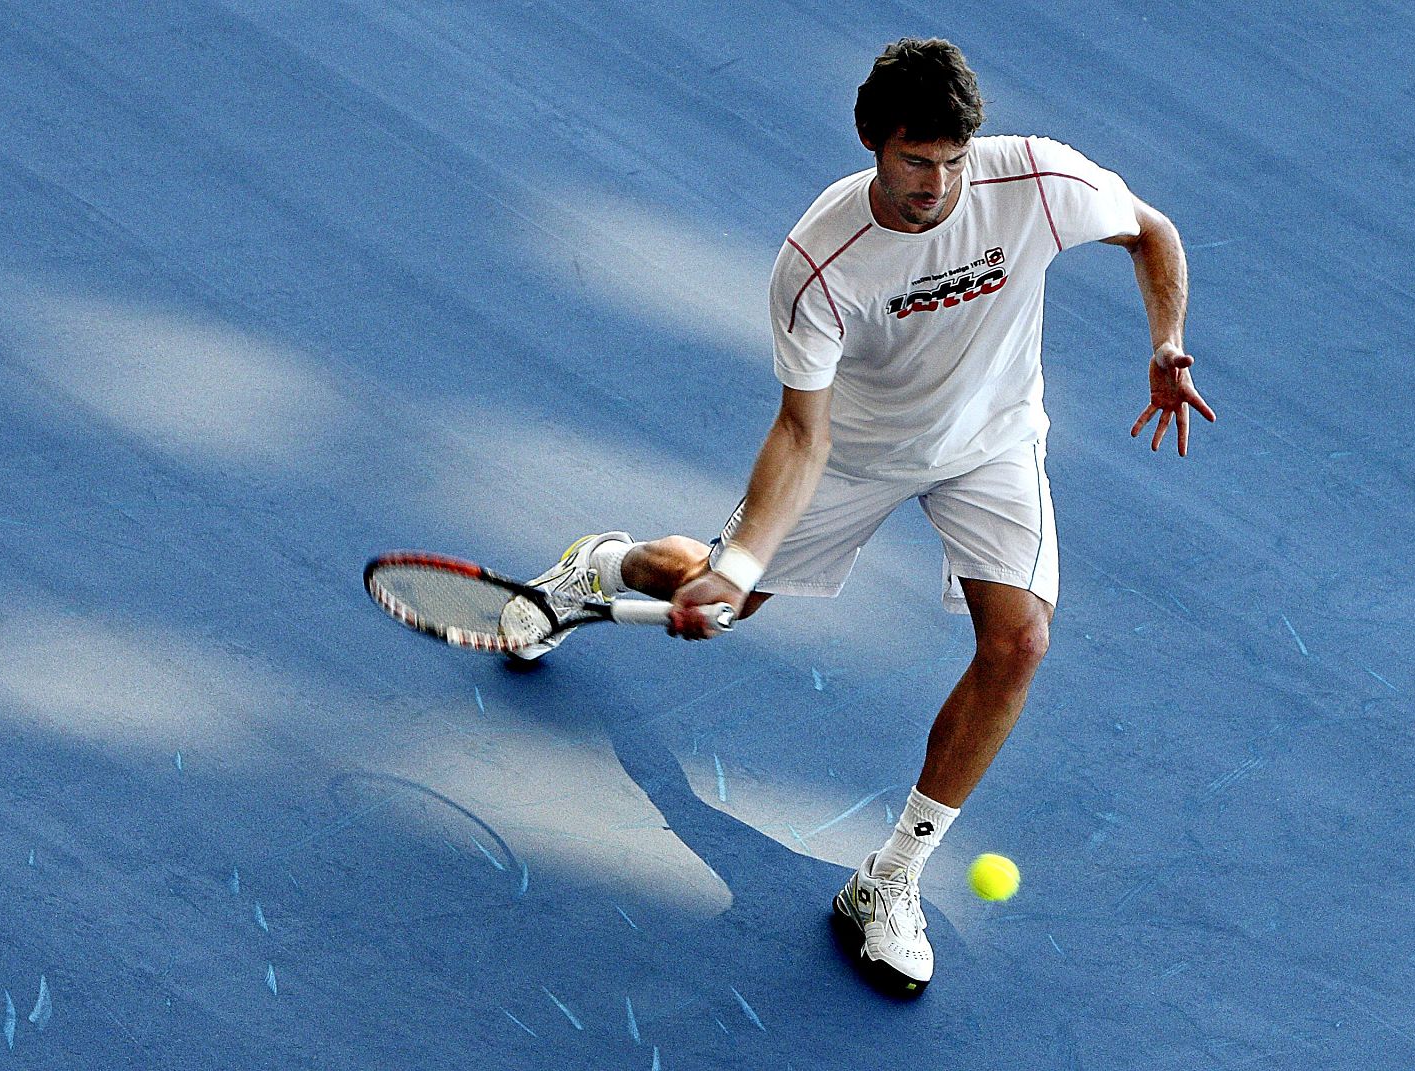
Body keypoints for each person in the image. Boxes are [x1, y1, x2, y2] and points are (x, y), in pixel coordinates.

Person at [508, 37, 1215, 991]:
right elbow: (801, 432)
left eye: (956, 158)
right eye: (918, 160)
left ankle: (890, 877)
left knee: (1019, 642)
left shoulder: (1039, 180)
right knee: (726, 605)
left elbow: (1151, 230)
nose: (940, 183)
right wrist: (746, 562)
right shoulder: (819, 262)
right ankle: (604, 566)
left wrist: (1167, 342)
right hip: (856, 452)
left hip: (992, 441)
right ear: (873, 144)